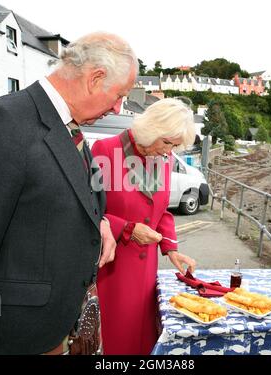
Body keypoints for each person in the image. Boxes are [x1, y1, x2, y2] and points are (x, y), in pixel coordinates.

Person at [0, 32, 138, 355]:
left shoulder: (70, 127)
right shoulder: (6, 122)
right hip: (18, 336)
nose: (117, 108)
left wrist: (99, 223)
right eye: (119, 96)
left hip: (58, 326)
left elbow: (78, 194)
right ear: (95, 78)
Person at [91, 98, 197, 355]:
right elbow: (87, 209)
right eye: (167, 142)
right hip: (112, 270)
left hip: (146, 272)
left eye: (174, 146)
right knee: (115, 341)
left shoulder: (163, 159)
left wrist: (171, 248)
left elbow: (161, 212)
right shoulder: (105, 150)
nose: (168, 151)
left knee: (142, 341)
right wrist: (127, 228)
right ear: (152, 129)